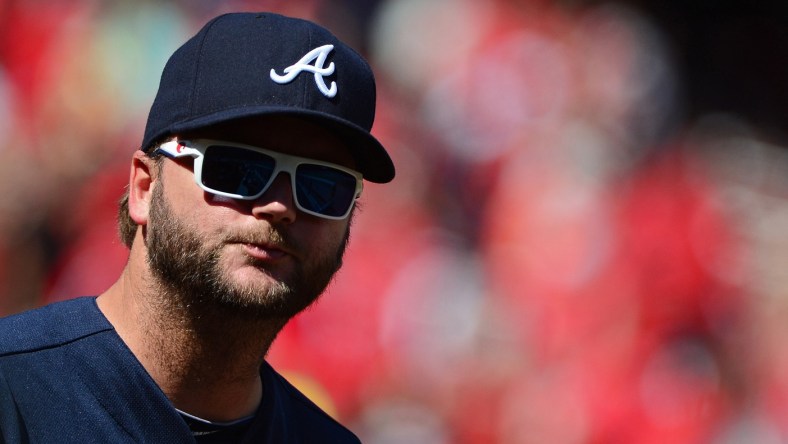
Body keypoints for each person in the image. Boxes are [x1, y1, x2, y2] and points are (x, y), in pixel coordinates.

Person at [0, 11, 394, 443]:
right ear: (144, 188)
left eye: (322, 186)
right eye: (238, 168)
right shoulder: (12, 389)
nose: (280, 206)